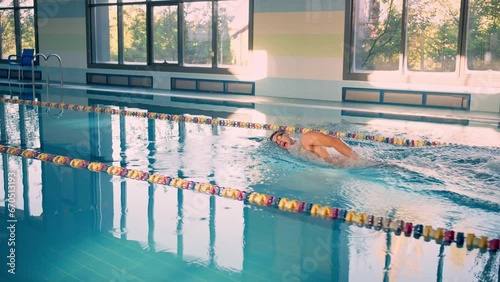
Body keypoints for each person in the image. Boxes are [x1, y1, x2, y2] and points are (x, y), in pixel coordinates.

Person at [269, 129, 361, 166]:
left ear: (288, 133)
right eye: (276, 142)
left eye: (279, 137)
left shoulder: (306, 138)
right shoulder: (296, 151)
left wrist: (359, 160)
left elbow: (335, 142)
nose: (279, 142)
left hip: (352, 164)